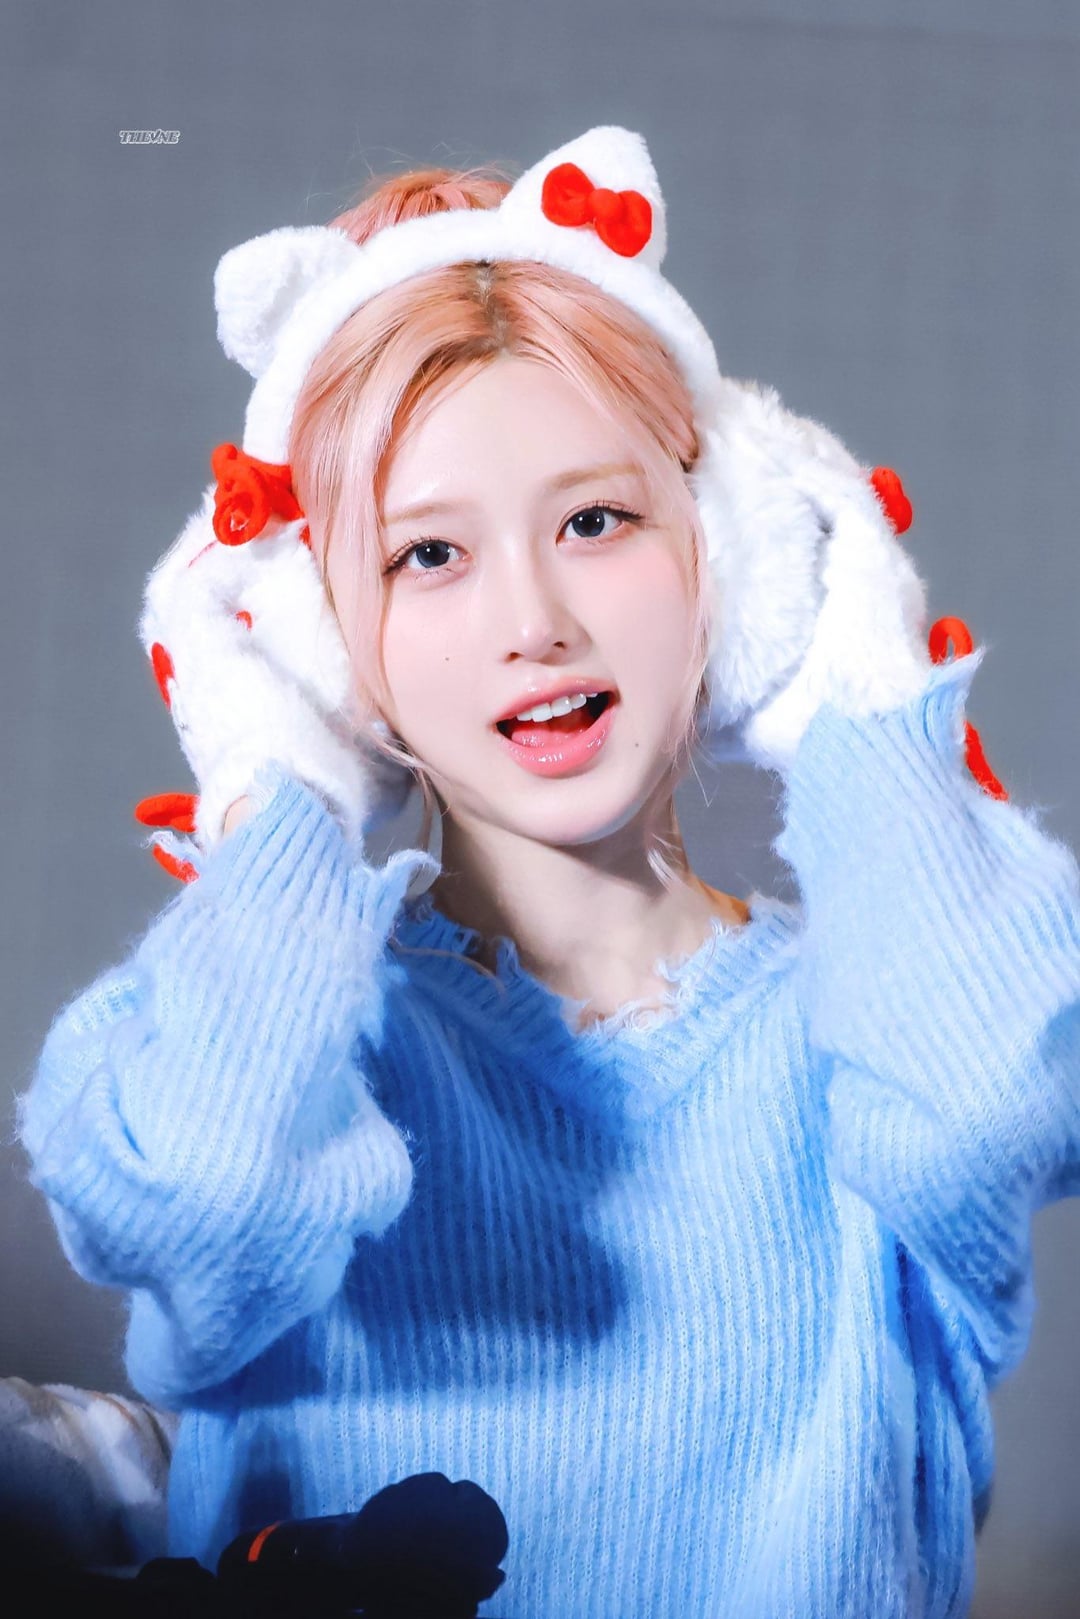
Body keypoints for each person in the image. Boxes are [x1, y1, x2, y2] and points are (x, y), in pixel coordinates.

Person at [16, 125, 1080, 1617]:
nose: (536, 622)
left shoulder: (875, 1033)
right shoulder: (259, 1049)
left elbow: (998, 1104)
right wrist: (280, 804)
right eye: (427, 556)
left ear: (729, 559)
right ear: (322, 641)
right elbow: (206, 1198)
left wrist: (860, 697)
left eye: (595, 520)